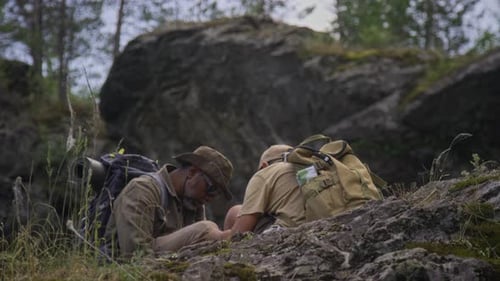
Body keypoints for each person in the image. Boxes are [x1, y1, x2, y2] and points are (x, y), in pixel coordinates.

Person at [104, 146, 233, 260]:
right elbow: (135, 254)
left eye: (218, 194)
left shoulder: (195, 204)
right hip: (124, 267)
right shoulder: (142, 190)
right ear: (192, 172)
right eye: (212, 188)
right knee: (205, 230)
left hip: (165, 265)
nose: (211, 197)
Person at [224, 144, 306, 234]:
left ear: (264, 165)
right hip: (319, 222)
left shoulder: (265, 173)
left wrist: (215, 234)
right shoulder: (310, 169)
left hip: (285, 232)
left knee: (235, 212)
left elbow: (240, 231)